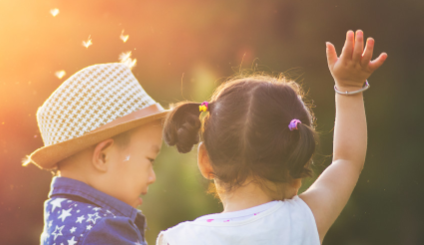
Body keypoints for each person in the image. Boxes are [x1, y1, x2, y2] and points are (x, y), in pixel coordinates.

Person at [157, 30, 387, 245]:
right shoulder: (302, 220)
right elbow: (347, 160)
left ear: (205, 161)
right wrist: (349, 87)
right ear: (297, 168)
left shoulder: (178, 239)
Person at [24, 62, 168, 245]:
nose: (152, 177)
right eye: (150, 159)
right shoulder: (103, 231)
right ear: (103, 157)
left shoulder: (65, 220)